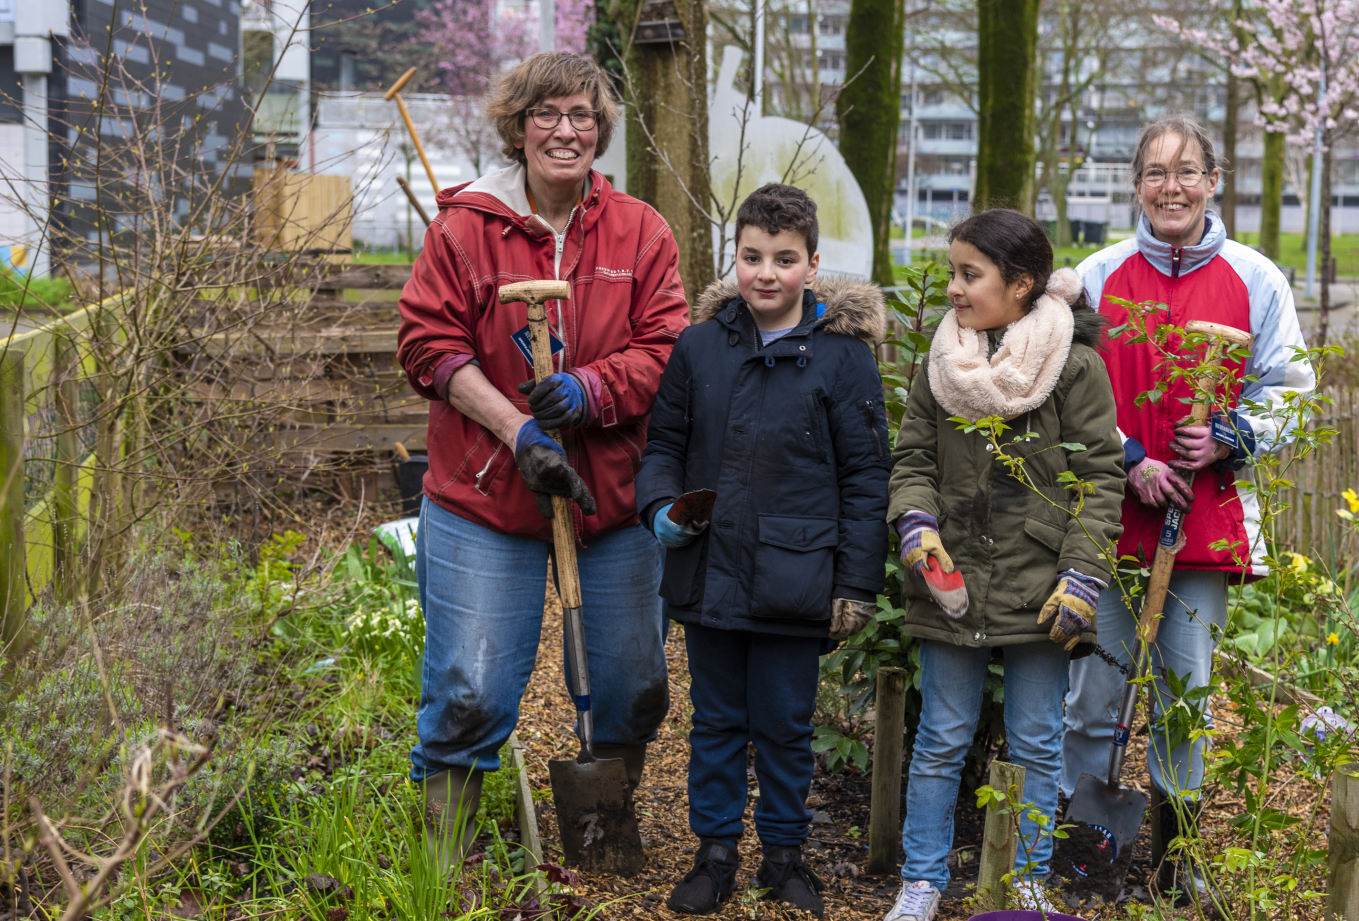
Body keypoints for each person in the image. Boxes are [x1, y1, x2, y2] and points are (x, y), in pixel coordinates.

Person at [395, 52, 689, 863]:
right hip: (484, 498)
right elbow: (426, 344)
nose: (567, 131)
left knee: (634, 684)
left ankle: (604, 831)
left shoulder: (641, 231)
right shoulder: (466, 226)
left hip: (609, 500)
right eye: (549, 115)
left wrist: (591, 392)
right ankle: (442, 861)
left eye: (583, 116)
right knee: (472, 686)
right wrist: (518, 430)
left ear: (601, 130)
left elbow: (666, 348)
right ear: (519, 127)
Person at [1061, 114, 1314, 903]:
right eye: (1155, 172)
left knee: (1183, 695)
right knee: (1095, 692)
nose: (1171, 186)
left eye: (1188, 171)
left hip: (1200, 525)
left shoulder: (1257, 279)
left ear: (1213, 181)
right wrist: (1129, 460)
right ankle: (1087, 851)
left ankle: (1178, 860)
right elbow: (1062, 388)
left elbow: (1294, 395)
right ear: (1135, 185)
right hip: (1108, 519)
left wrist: (1232, 437)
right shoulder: (1096, 277)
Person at [635, 184, 891, 918]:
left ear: (813, 265)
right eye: (752, 257)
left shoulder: (843, 361)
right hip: (710, 572)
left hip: (797, 579)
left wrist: (856, 583)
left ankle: (785, 857)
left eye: (785, 259)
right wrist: (660, 509)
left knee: (784, 724)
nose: (766, 274)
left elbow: (867, 478)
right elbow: (664, 447)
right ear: (735, 260)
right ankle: (714, 852)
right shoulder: (699, 345)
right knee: (715, 720)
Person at [882, 209, 1126, 921]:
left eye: (970, 274)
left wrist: (1081, 575)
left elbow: (1100, 477)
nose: (955, 289)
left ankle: (1024, 882)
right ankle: (922, 881)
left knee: (1037, 743)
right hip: (950, 580)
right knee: (941, 740)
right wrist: (917, 523)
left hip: (1039, 585)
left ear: (1021, 285)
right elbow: (915, 458)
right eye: (954, 272)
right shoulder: (943, 360)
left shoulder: (1075, 367)